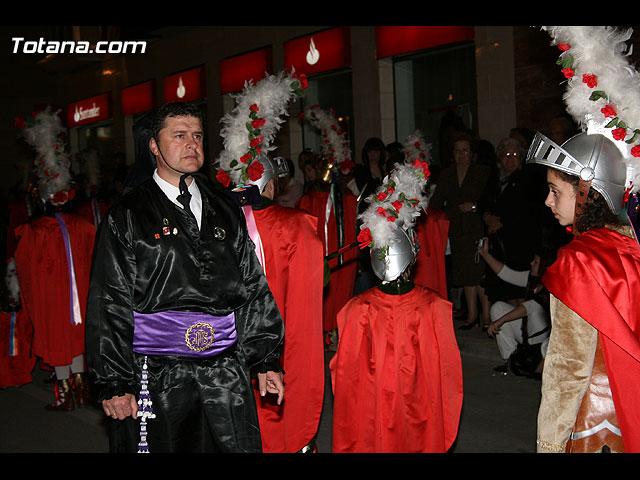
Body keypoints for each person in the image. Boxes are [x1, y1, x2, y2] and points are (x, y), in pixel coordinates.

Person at [85, 102, 285, 453]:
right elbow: (109, 299)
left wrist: (266, 357)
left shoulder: (225, 207)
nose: (192, 144)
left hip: (225, 371)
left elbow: (252, 284)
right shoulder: (127, 215)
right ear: (153, 145)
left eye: (197, 136)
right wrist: (115, 381)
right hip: (160, 374)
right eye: (179, 136)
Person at [330, 158, 463, 453]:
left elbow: (344, 379)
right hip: (421, 425)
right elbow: (447, 377)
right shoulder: (434, 307)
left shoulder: (355, 309)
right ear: (413, 256)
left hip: (371, 422)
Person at [528, 129, 640, 453]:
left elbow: (569, 367)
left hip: (595, 427)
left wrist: (549, 443)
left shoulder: (577, 262)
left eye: (554, 191)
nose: (547, 201)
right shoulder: (632, 246)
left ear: (585, 191)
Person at [13, 108, 96, 411]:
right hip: (80, 295)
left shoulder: (35, 231)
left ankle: (67, 391)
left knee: (59, 333)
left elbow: (24, 267)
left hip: (54, 298)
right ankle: (79, 385)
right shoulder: (82, 224)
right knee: (75, 334)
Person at [430, 132, 492, 330]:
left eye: (465, 150)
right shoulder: (447, 174)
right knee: (465, 272)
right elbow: (437, 202)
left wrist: (474, 206)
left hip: (477, 225)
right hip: (457, 228)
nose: (461, 155)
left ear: (472, 153)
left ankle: (487, 315)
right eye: (457, 151)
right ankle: (472, 314)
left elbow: (490, 199)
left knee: (480, 271)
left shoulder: (482, 171)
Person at [482, 137, 547, 305]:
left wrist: (501, 221)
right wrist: (487, 216)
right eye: (506, 154)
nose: (510, 158)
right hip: (500, 245)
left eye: (515, 154)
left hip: (521, 241)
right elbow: (483, 202)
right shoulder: (495, 180)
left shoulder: (528, 179)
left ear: (521, 157)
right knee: (503, 291)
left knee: (519, 290)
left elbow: (529, 209)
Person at [477, 237, 552, 375]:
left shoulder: (551, 286)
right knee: (498, 307)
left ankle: (534, 359)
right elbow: (507, 274)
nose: (531, 263)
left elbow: (528, 308)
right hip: (527, 329)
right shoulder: (532, 279)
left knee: (534, 310)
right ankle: (511, 359)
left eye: (535, 262)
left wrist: (501, 321)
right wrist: (485, 254)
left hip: (543, 339)